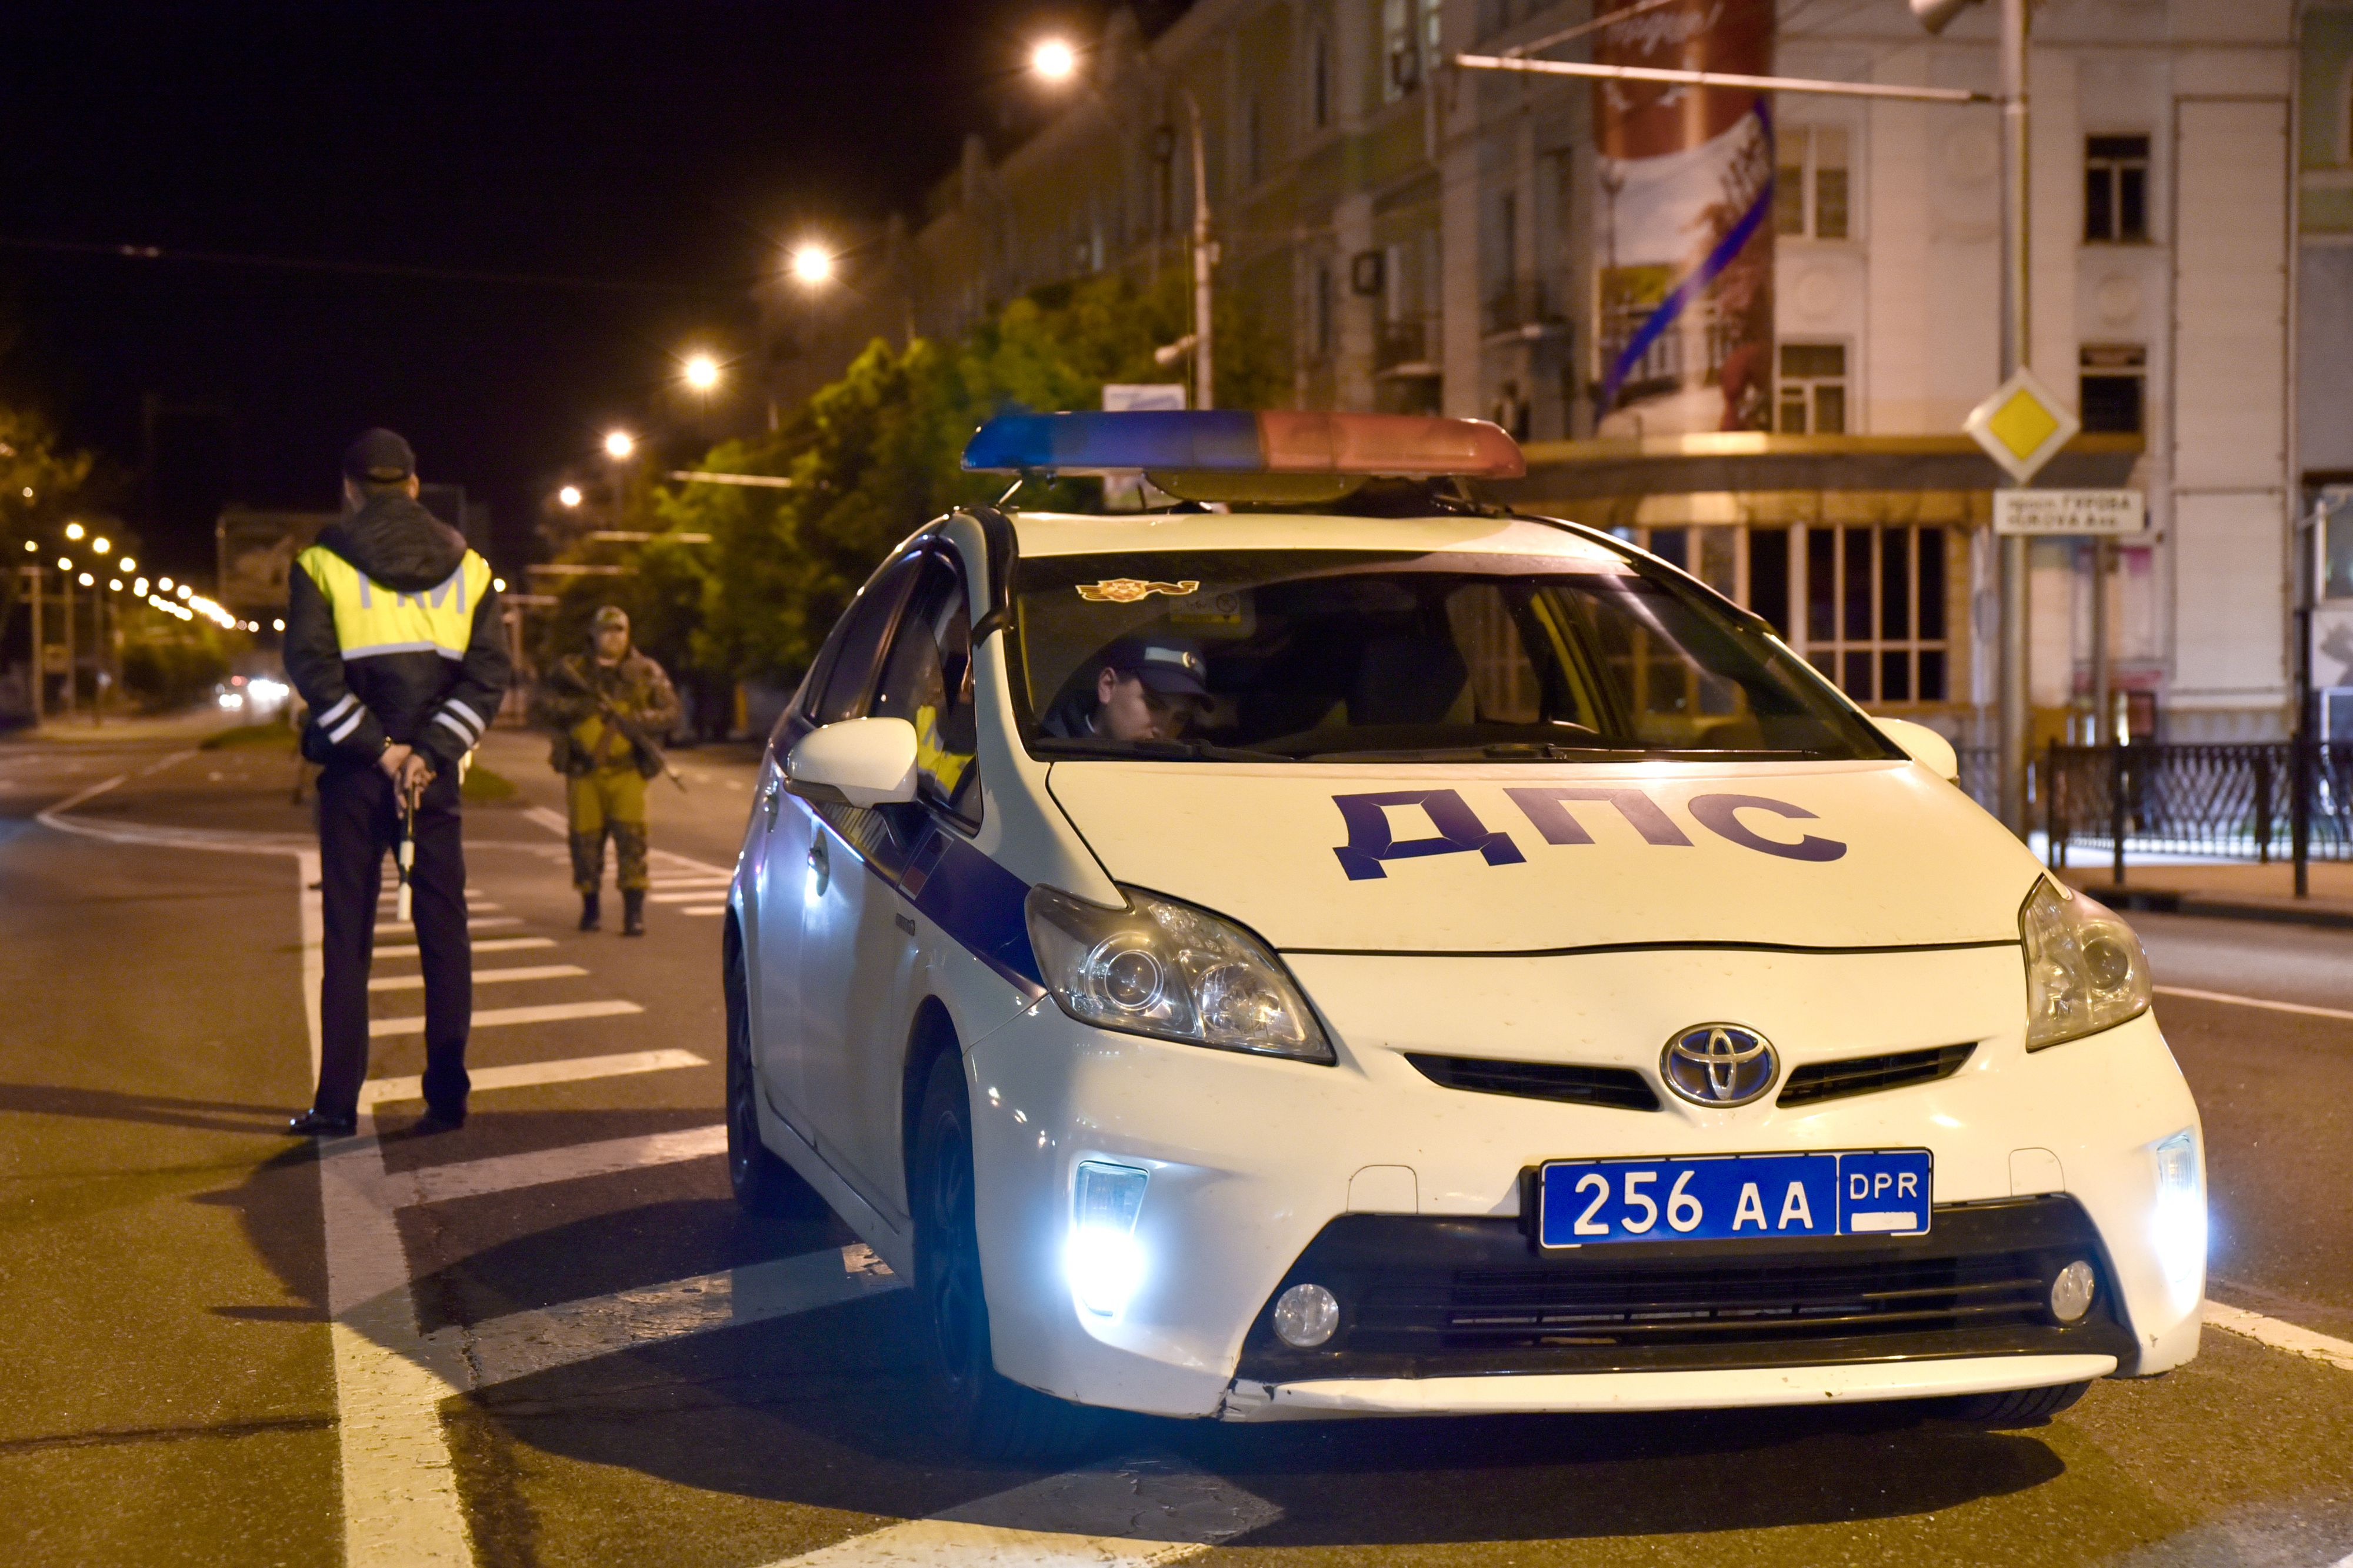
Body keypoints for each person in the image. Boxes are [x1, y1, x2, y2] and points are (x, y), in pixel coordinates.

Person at [282, 429, 509, 1137]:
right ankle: (447, 1096)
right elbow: (488, 677)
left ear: (350, 489)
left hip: (356, 775)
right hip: (431, 779)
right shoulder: (470, 568)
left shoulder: (320, 563)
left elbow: (312, 669)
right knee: (444, 930)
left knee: (348, 935)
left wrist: (381, 749)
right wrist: (429, 753)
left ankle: (336, 1105)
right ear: (413, 485)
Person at [541, 606, 679, 935]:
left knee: (633, 842)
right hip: (584, 772)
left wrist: (637, 720)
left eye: (620, 630)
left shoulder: (646, 671)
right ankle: (590, 909)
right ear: (594, 634)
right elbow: (545, 706)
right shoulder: (574, 671)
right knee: (585, 843)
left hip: (628, 772)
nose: (614, 637)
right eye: (607, 631)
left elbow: (671, 712)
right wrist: (584, 707)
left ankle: (634, 914)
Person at [1039, 634, 1209, 743]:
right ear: (1108, 685)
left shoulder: (1180, 768)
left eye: (1180, 718)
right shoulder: (1043, 751)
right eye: (1153, 705)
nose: (1163, 731)